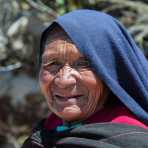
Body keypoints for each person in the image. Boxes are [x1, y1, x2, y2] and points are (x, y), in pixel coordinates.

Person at [22, 9, 148, 148]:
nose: (64, 81)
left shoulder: (129, 140)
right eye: (53, 63)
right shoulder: (47, 130)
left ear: (110, 73)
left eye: (83, 64)